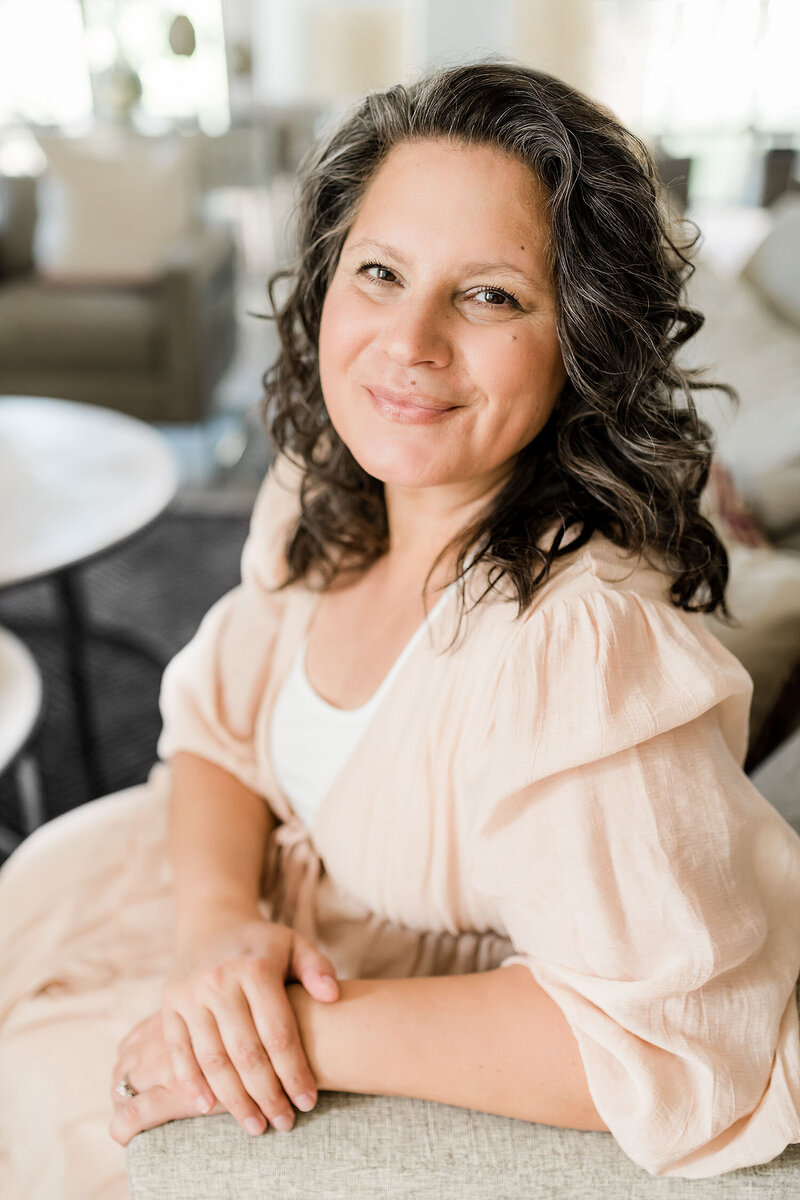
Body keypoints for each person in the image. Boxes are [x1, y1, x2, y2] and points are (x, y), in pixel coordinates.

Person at [1, 58, 799, 1198]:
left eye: (488, 295)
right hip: (224, 919)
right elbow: (217, 734)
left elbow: (675, 1037)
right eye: (379, 273)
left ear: (579, 338)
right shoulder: (328, 492)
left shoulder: (579, 651)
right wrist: (219, 931)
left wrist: (283, 1027)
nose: (410, 340)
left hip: (380, 1010)